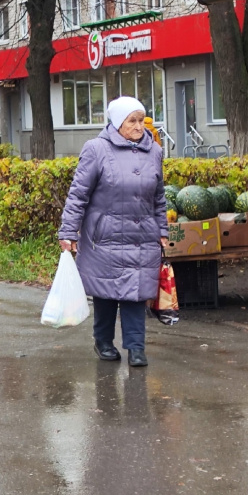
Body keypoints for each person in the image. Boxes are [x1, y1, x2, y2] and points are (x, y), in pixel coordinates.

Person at [57, 97, 168, 368]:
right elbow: (78, 195)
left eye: (142, 120)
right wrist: (68, 231)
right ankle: (103, 341)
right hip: (103, 238)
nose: (139, 126)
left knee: (137, 293)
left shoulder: (154, 151)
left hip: (142, 237)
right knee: (105, 293)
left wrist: (163, 231)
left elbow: (159, 198)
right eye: (133, 121)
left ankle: (136, 348)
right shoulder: (96, 149)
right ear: (118, 122)